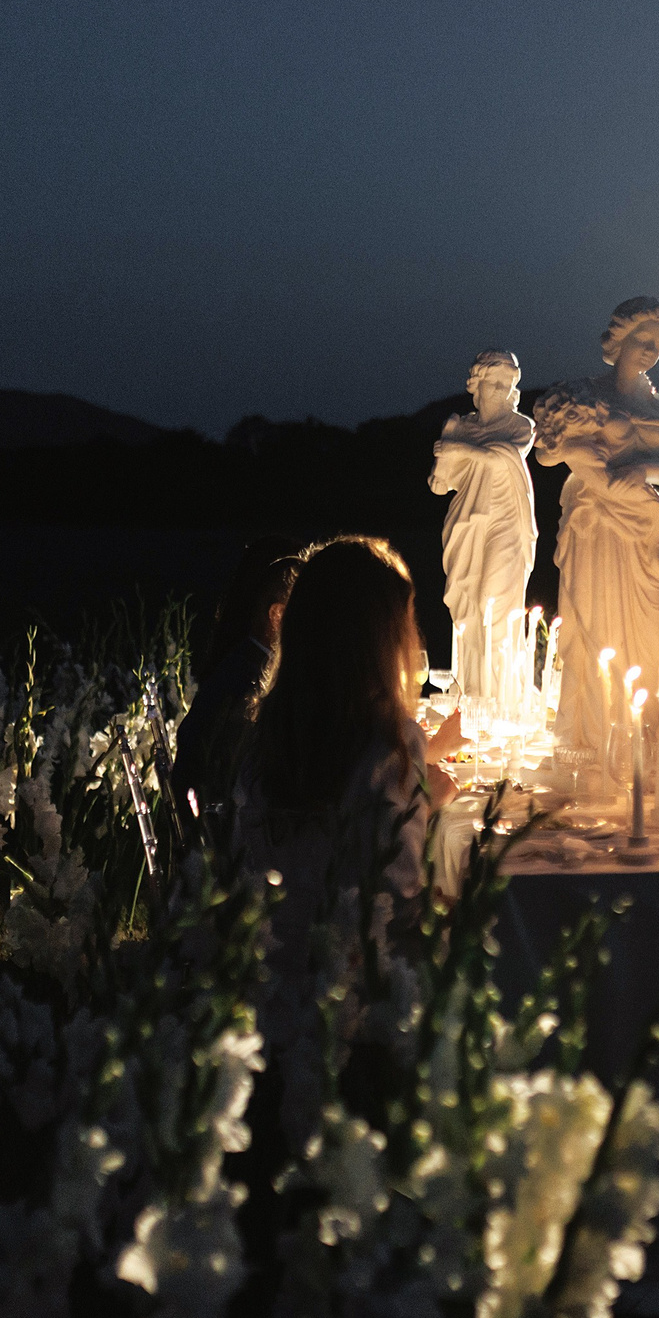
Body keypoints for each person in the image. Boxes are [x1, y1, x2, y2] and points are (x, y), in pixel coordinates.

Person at [227, 535, 462, 1150]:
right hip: (351, 1008)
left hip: (266, 984)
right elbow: (400, 898)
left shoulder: (268, 735)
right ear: (384, 639)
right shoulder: (385, 744)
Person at [533, 297, 659, 763]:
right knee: (591, 618)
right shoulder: (583, 392)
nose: (649, 351)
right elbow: (546, 452)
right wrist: (577, 453)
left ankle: (634, 736)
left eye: (658, 346)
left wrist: (642, 468)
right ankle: (587, 736)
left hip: (639, 524)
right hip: (594, 524)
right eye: (642, 341)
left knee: (642, 629)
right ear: (619, 339)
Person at [170, 534, 300, 825]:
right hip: (231, 843)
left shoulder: (240, 661)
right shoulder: (251, 683)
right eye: (305, 608)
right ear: (277, 616)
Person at [429, 349, 537, 698]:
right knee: (468, 603)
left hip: (506, 521)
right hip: (466, 521)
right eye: (496, 383)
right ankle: (472, 689)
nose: (504, 391)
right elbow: (440, 485)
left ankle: (501, 695)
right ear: (476, 386)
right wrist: (445, 457)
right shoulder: (462, 427)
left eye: (509, 384)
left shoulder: (520, 426)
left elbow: (503, 455)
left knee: (497, 600)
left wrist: (460, 450)